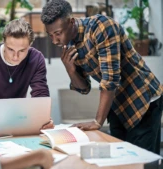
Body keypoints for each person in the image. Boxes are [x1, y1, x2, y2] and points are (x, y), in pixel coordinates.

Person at [41, 0, 163, 154]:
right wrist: (70, 70)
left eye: (57, 33)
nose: (54, 40)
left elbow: (111, 80)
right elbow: (84, 88)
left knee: (142, 161)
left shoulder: (101, 27)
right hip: (117, 105)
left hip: (142, 99)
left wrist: (97, 121)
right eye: (50, 35)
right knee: (121, 159)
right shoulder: (69, 44)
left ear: (71, 22)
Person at [0, 19, 54, 130]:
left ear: (30, 45)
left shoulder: (36, 58)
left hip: (17, 123)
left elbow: (41, 94)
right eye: (10, 49)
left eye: (22, 51)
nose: (15, 57)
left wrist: (43, 118)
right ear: (4, 41)